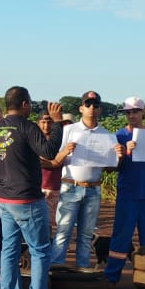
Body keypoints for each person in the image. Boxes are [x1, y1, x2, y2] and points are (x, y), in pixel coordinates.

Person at [0, 87, 66, 289]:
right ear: (24, 104)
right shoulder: (27, 126)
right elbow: (50, 151)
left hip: (4, 198)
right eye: (30, 103)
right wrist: (58, 124)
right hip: (28, 199)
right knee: (40, 250)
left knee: (9, 250)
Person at [103, 96, 145, 284]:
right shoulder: (119, 136)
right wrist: (123, 153)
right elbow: (111, 167)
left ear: (143, 112)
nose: (131, 115)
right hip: (128, 194)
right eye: (128, 112)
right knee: (121, 237)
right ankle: (111, 278)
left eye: (135, 111)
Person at [50, 91, 112, 267]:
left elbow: (109, 167)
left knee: (86, 235)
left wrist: (118, 157)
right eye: (88, 104)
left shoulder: (106, 135)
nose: (92, 108)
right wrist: (66, 151)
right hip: (70, 186)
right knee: (63, 232)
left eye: (95, 105)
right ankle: (56, 270)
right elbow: (56, 159)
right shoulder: (68, 130)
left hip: (93, 188)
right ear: (81, 108)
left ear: (100, 109)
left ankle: (82, 272)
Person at [37, 112, 62, 230]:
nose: (46, 126)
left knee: (53, 224)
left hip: (57, 187)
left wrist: (57, 161)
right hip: (39, 187)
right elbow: (38, 161)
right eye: (43, 122)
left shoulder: (59, 140)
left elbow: (63, 159)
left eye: (49, 122)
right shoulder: (35, 140)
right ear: (38, 123)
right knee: (39, 223)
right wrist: (56, 161)